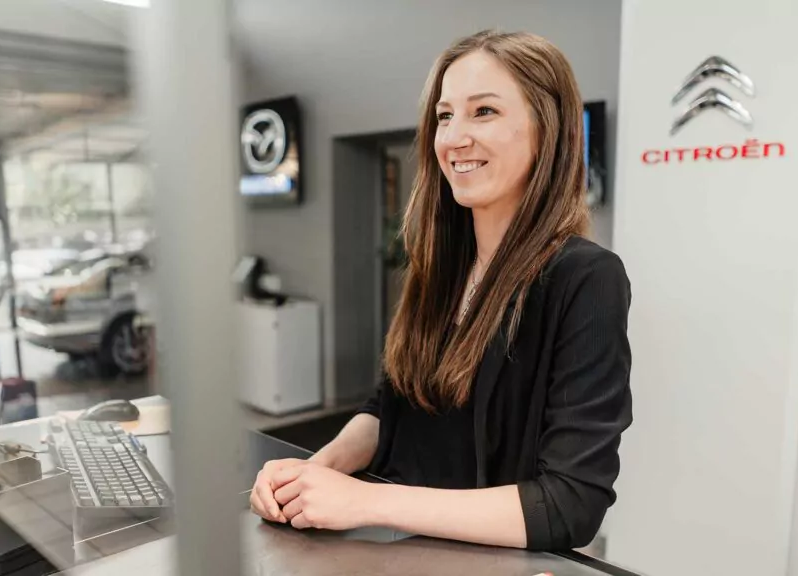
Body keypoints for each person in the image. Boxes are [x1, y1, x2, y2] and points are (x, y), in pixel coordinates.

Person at [250, 29, 633, 551]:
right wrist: (314, 474)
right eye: (445, 116)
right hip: (391, 547)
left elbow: (569, 504)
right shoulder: (440, 267)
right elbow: (389, 407)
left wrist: (364, 501)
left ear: (547, 129)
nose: (453, 138)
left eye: (484, 112)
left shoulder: (586, 279)